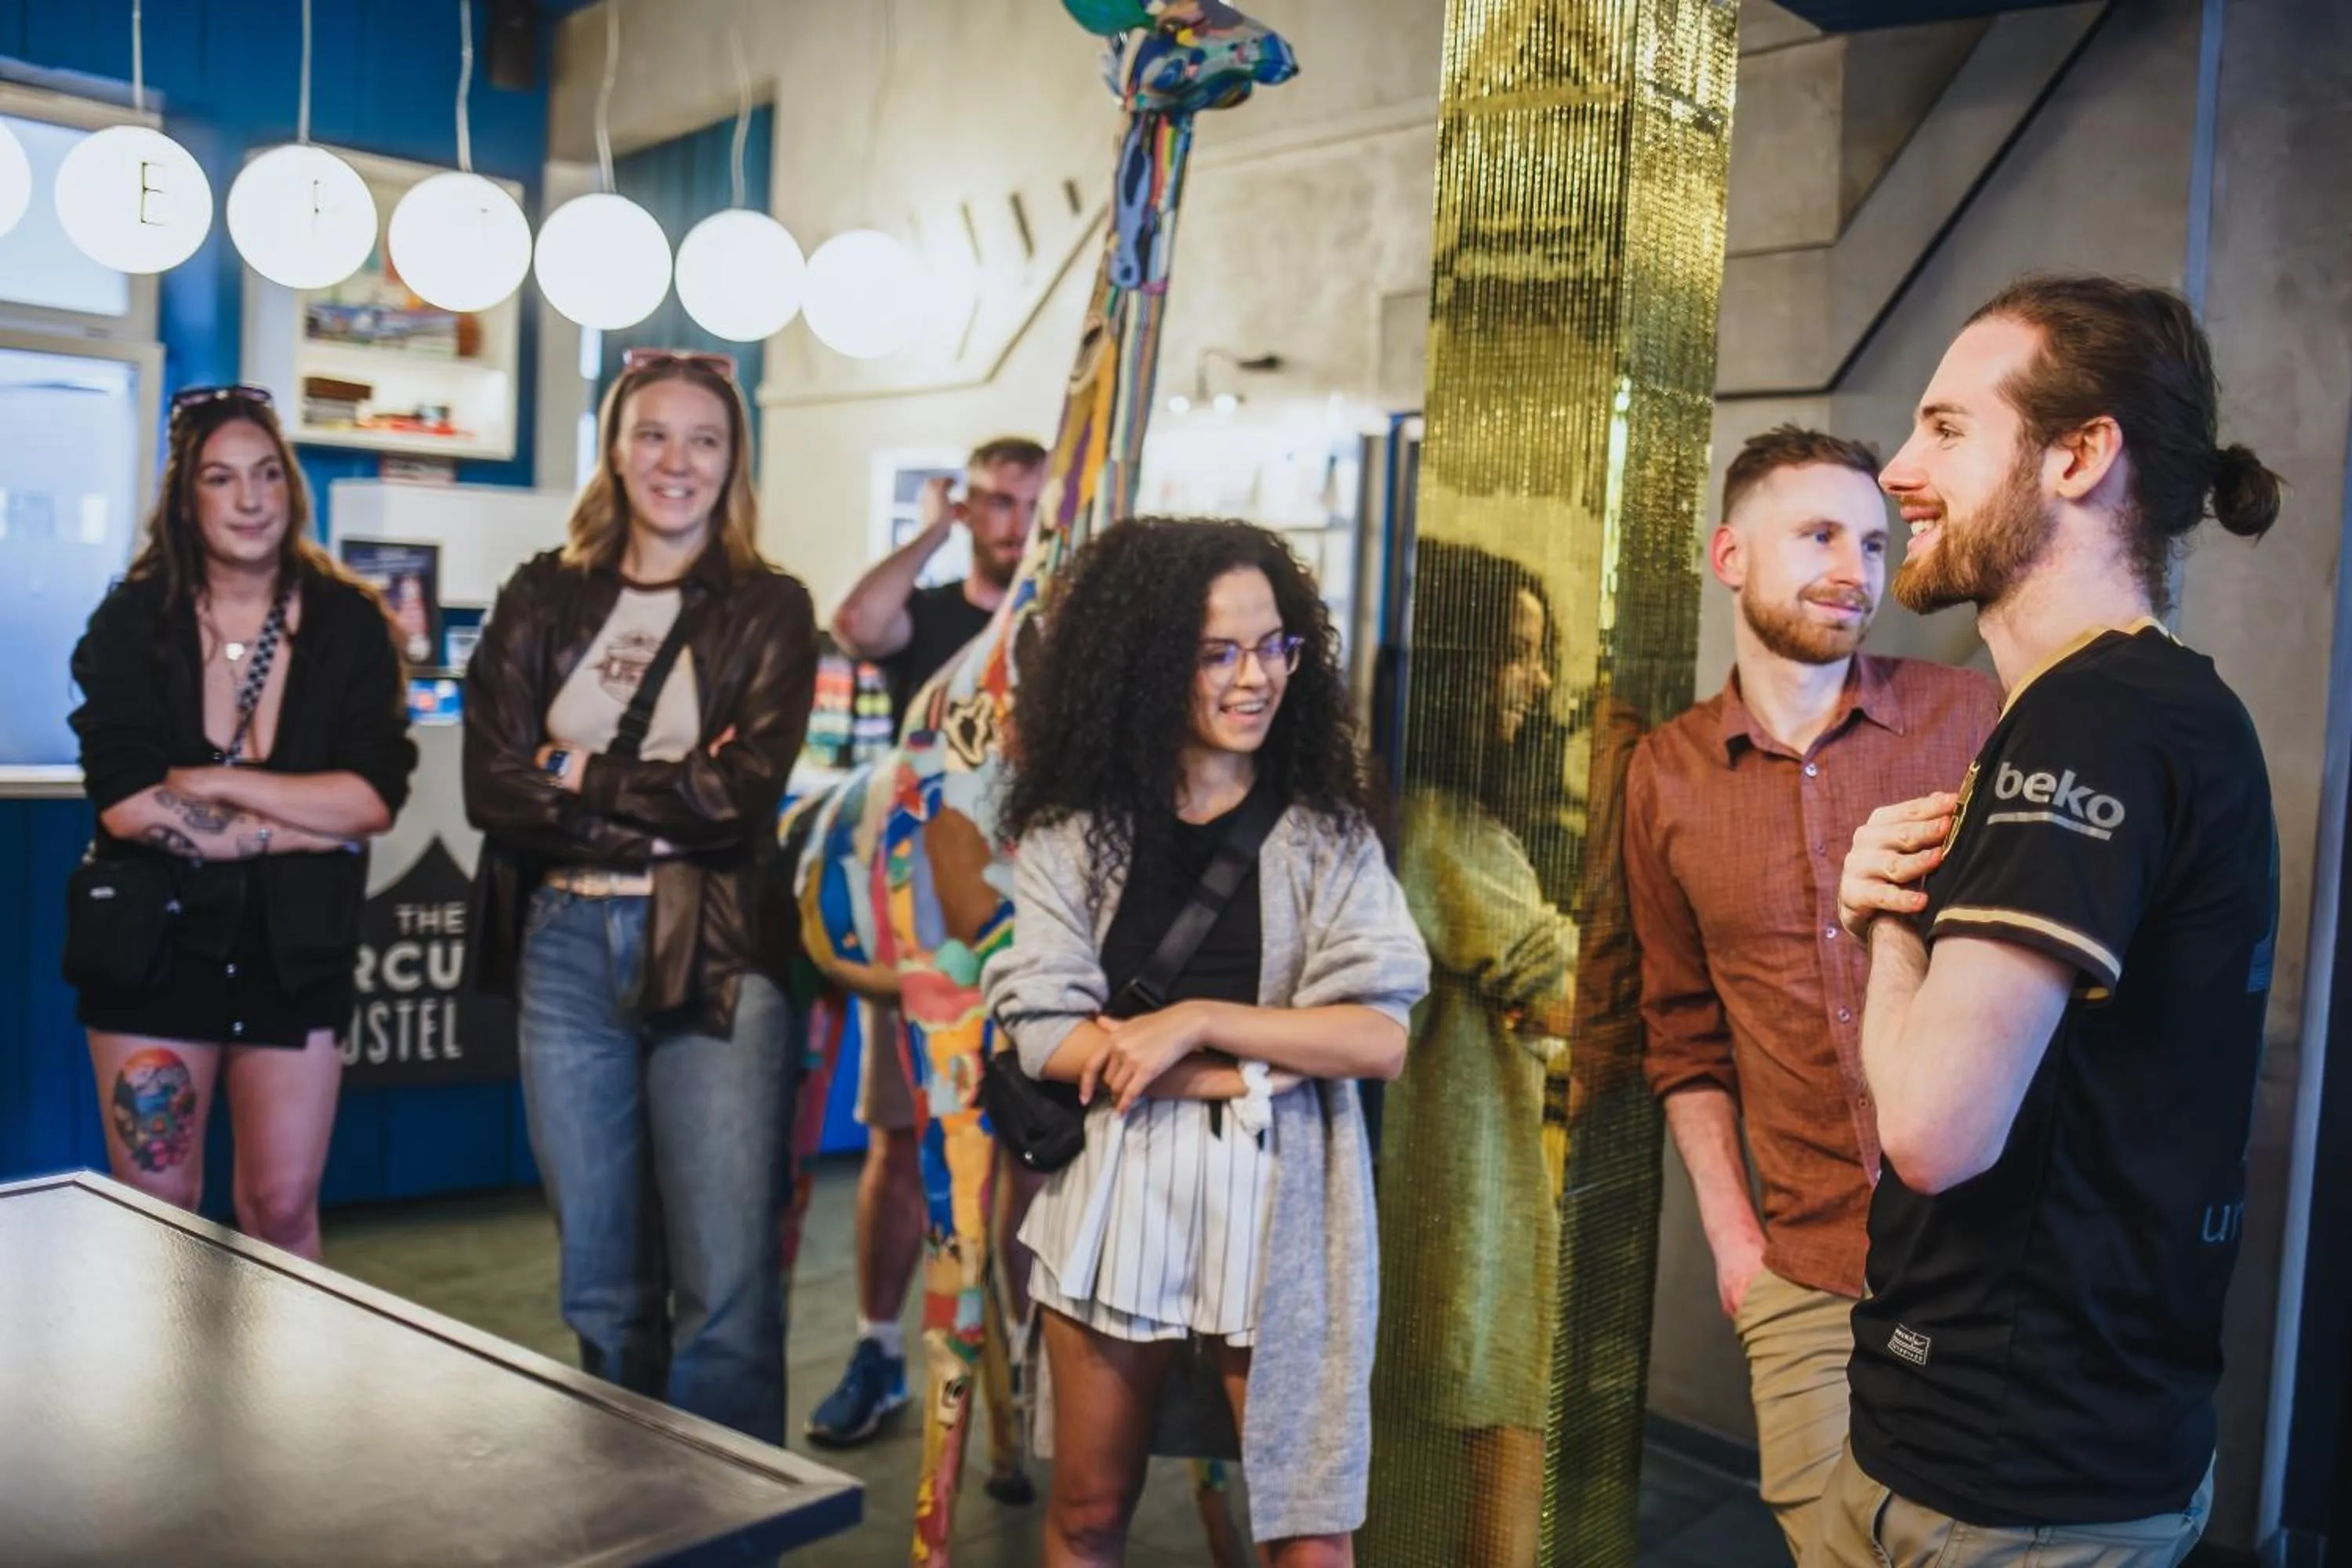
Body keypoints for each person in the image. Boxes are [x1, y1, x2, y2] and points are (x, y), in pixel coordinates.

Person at [1819, 275, 2284, 1567]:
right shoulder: (2107, 710)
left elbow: (1931, 1130)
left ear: (2082, 455)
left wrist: (1889, 924)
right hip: (2005, 1457)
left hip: (2015, 1492)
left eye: (1949, 430)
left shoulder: (2104, 718)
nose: (1901, 471)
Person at [984, 519, 1429, 1566]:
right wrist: (1252, 1066)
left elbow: (1378, 1037)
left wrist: (1196, 1022)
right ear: (1145, 666)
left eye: (1275, 647)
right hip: (1119, 1191)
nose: (1255, 678)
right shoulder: (1073, 834)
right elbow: (1041, 1026)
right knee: (1089, 1517)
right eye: (1218, 653)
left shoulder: (1329, 834)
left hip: (1287, 1201)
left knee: (1311, 1531)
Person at [1624, 426, 1997, 1558]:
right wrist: (1736, 1240)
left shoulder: (1967, 721)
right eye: (1821, 535)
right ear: (1730, 556)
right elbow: (1679, 1032)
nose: (1857, 570)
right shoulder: (1668, 774)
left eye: (1877, 542)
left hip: (1988, 1258)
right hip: (1804, 1272)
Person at [462, 348, 818, 1445]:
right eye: (653, 434)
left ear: (733, 460)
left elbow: (740, 798)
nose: (677, 461)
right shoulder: (543, 592)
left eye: (704, 439)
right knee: (602, 1289)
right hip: (563, 942)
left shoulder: (770, 608)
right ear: (616, 448)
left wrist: (577, 772)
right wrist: (663, 794)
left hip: (714, 948)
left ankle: (728, 1539)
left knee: (725, 1289)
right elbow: (491, 784)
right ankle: (629, 1519)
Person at [65, 384, 417, 1260]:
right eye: (223, 479)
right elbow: (127, 800)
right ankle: (155, 1400)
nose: (252, 499)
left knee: (281, 1203)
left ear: (291, 486)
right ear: (186, 498)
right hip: (153, 948)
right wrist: (295, 818)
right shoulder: (131, 621)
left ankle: (280, 1399)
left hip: (294, 951)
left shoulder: (349, 625)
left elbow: (372, 798)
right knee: (157, 1203)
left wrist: (217, 787)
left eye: (267, 474)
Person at [811, 434, 1048, 1445]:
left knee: (1033, 1151)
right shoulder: (940, 617)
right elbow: (858, 622)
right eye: (993, 502)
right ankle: (878, 1348)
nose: (1010, 522)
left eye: (1026, 505)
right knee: (902, 1142)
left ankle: (1032, 1368)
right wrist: (934, 527)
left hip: (1034, 929)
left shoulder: (1062, 632)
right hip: (925, 936)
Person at [1364, 539, 1577, 1566]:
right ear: (1456, 663)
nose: (1536, 683)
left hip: (1421, 1168)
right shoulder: (1441, 822)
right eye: (1517, 653)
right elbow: (1566, 989)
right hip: (1462, 1176)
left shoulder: (1395, 803)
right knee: (1504, 1418)